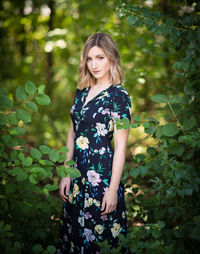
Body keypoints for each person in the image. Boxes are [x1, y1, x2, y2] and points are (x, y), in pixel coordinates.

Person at [56, 32, 132, 254]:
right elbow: (72, 133)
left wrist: (112, 189)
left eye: (100, 57)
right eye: (89, 59)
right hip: (77, 177)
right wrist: (65, 172)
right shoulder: (81, 92)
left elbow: (121, 147)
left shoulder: (119, 96)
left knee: (100, 239)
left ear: (111, 57)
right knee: (75, 237)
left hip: (102, 178)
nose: (94, 64)